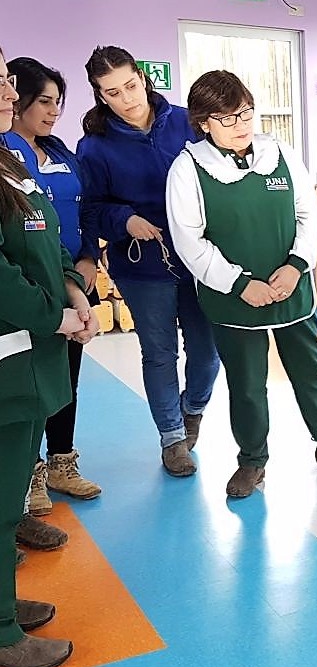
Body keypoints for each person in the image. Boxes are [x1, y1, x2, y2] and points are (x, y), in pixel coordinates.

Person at [165, 70, 317, 498]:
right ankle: (252, 461)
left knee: (310, 372)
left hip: (291, 289)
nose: (242, 123)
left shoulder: (278, 153)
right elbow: (189, 240)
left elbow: (309, 215)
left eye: (246, 112)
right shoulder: (187, 169)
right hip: (235, 300)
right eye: (227, 118)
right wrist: (241, 284)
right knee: (246, 386)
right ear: (204, 122)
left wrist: (297, 264)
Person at [78, 46, 220, 477]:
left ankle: (192, 410)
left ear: (143, 78)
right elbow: (91, 208)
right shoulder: (94, 147)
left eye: (131, 85)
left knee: (207, 351)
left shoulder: (186, 121)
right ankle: (172, 438)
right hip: (142, 264)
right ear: (101, 96)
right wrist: (125, 219)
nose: (127, 98)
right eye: (113, 92)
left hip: (200, 259)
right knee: (159, 354)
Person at [0, 47, 95, 667]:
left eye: (8, 79)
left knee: (11, 495)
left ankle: (2, 608)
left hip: (33, 354)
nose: (9, 91)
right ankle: (2, 636)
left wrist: (74, 288)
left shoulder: (10, 161)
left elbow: (44, 237)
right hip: (10, 355)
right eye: (0, 83)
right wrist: (52, 314)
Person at [4, 57, 102, 521]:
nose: (53, 111)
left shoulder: (61, 152)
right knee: (26, 389)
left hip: (68, 278)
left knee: (64, 378)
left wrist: (86, 266)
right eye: (43, 101)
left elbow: (82, 214)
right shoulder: (7, 153)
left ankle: (61, 460)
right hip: (28, 292)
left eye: (58, 102)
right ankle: (29, 477)